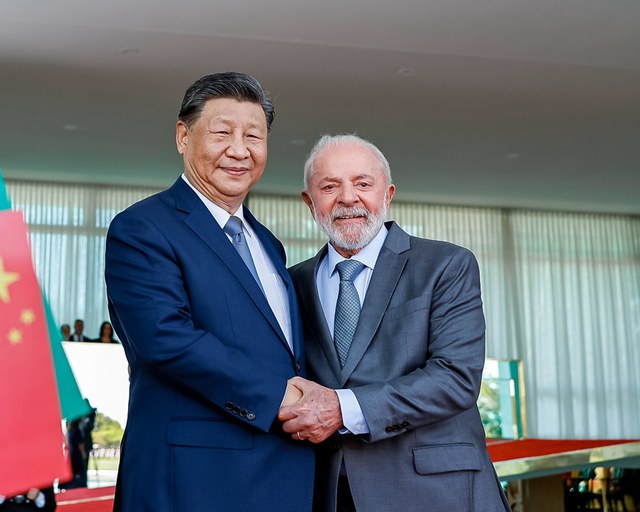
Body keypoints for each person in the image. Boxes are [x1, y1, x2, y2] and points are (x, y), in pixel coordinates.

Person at [105, 71, 314, 512]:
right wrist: (281, 398)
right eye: (222, 133)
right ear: (183, 136)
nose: (239, 150)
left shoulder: (267, 243)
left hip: (279, 476)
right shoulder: (142, 228)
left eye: (253, 136)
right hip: (193, 481)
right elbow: (166, 339)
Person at [280, 134, 511, 512]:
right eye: (329, 187)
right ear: (310, 202)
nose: (348, 198)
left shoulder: (446, 265)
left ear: (387, 194)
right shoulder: (291, 283)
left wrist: (342, 408)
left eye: (363, 184)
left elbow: (455, 378)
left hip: (437, 493)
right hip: (331, 493)